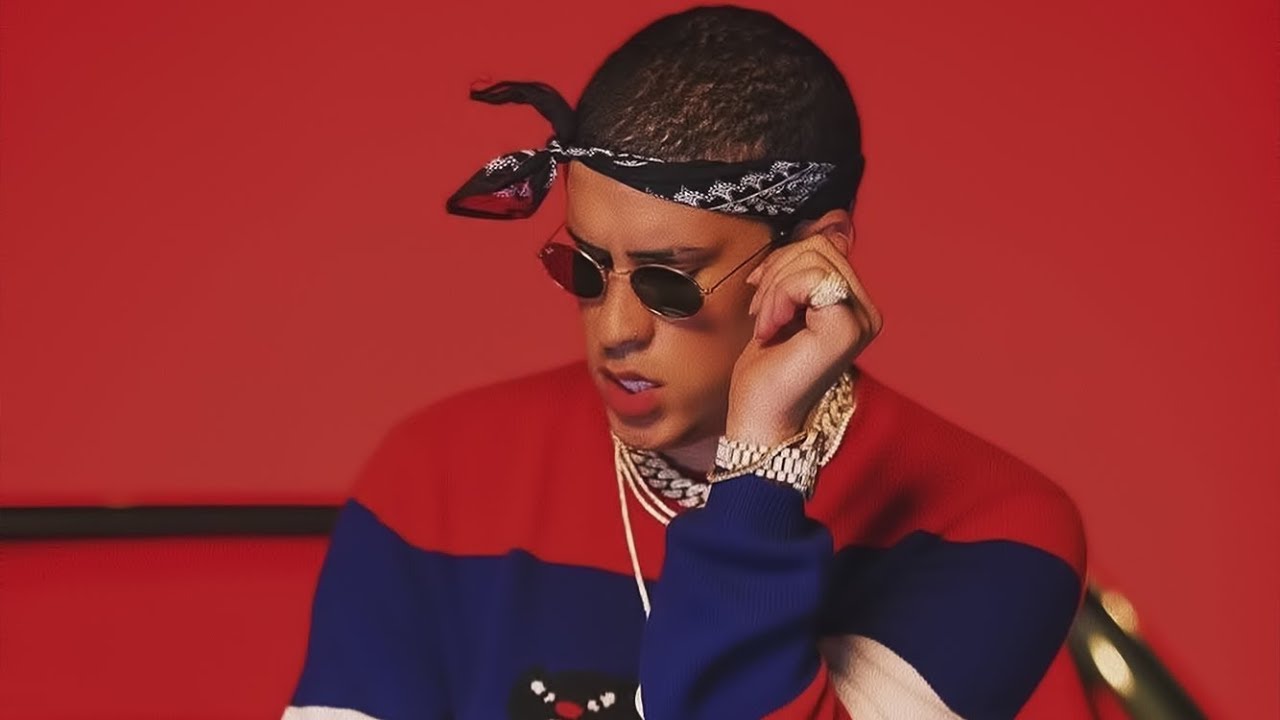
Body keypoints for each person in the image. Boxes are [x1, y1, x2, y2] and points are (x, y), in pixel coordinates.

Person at [283, 6, 1086, 719]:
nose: (614, 330)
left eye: (667, 282)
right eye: (585, 269)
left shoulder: (992, 527)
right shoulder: (436, 476)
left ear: (816, 258)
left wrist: (761, 462)